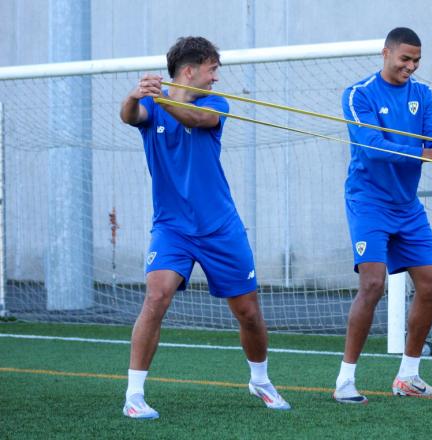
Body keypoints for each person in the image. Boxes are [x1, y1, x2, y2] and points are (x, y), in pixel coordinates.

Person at [119, 36, 289, 419]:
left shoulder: (215, 104)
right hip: (172, 228)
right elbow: (129, 116)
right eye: (212, 69)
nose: (216, 77)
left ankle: (260, 380)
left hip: (220, 227)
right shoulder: (150, 105)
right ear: (190, 70)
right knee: (157, 296)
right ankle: (134, 394)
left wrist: (162, 98)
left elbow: (198, 119)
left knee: (247, 311)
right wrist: (136, 95)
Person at [334, 27, 432, 404]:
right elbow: (371, 148)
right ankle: (345, 380)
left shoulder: (422, 95)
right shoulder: (358, 95)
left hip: (407, 205)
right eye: (404, 59)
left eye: (416, 61)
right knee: (372, 284)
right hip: (368, 201)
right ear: (385, 53)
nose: (410, 67)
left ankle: (408, 376)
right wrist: (428, 153)